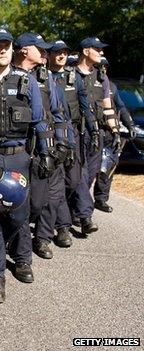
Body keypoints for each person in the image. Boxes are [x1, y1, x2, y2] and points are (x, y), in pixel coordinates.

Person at [0, 28, 51, 303]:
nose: (3, 50)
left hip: (20, 156)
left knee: (21, 212)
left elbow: (40, 121)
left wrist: (46, 152)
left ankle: (22, 258)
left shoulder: (27, 82)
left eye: (6, 45)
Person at [12, 33, 66, 260]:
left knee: (44, 201)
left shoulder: (46, 79)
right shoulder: (7, 76)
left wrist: (64, 143)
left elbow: (57, 112)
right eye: (40, 49)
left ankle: (42, 238)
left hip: (45, 147)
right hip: (18, 150)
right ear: (24, 50)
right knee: (20, 205)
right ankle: (19, 250)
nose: (45, 54)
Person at [48, 40, 96, 248]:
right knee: (56, 183)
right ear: (49, 55)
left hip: (73, 134)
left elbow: (84, 105)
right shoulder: (41, 77)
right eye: (57, 52)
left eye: (65, 52)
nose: (61, 56)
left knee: (74, 180)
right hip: (51, 135)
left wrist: (93, 130)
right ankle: (63, 228)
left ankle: (72, 214)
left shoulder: (73, 77)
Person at [74, 37, 119, 234]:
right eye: (97, 49)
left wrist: (115, 130)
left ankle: (74, 210)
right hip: (76, 131)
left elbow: (108, 107)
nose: (101, 53)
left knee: (91, 174)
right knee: (80, 174)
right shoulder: (71, 74)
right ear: (85, 51)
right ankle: (86, 216)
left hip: (97, 132)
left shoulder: (102, 77)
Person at [92, 57, 137, 213]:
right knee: (89, 170)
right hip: (94, 132)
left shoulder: (111, 86)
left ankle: (101, 199)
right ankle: (77, 206)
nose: (103, 69)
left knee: (108, 167)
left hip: (111, 132)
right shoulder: (89, 83)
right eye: (99, 66)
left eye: (105, 66)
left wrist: (130, 124)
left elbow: (121, 107)